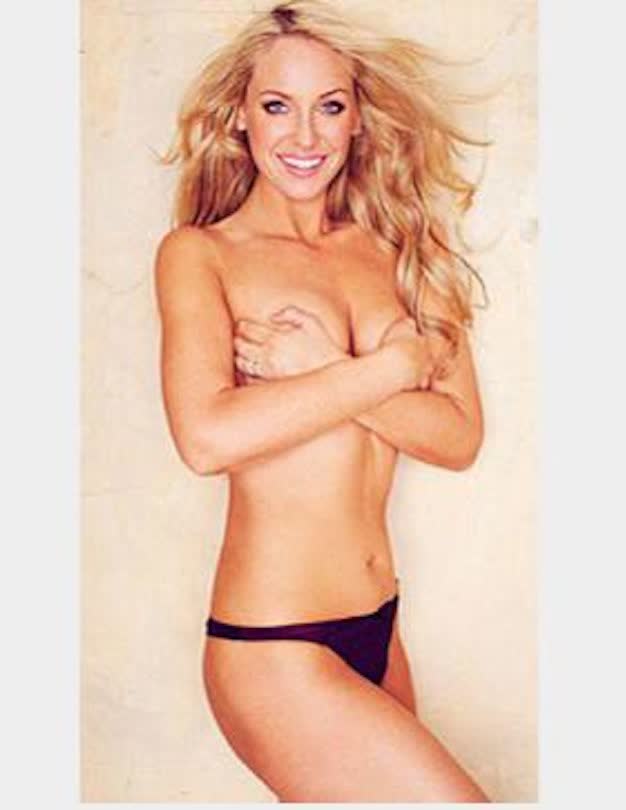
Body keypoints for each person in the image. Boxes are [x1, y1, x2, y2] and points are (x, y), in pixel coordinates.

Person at [154, 1, 490, 801]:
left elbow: (458, 437)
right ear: (241, 115)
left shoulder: (401, 249)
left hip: (380, 628)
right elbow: (206, 438)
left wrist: (325, 367)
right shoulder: (202, 254)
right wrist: (387, 368)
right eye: (278, 106)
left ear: (358, 118)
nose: (304, 136)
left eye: (329, 107)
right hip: (274, 644)